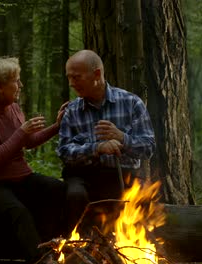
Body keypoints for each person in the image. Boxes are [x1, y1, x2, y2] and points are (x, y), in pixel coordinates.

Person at [0, 56, 68, 263]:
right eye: (16, 80)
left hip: (18, 178)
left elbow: (28, 142)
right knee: (18, 212)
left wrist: (57, 126)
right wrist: (21, 132)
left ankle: (50, 246)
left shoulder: (13, 107)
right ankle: (40, 262)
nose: (20, 85)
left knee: (57, 189)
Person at [56, 49, 156, 235]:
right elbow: (64, 152)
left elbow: (148, 148)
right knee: (74, 195)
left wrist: (122, 138)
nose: (71, 83)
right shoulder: (72, 111)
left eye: (76, 77)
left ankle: (124, 255)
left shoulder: (131, 103)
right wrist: (97, 148)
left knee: (134, 200)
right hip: (83, 177)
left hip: (123, 174)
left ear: (97, 74)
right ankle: (75, 250)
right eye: (69, 77)